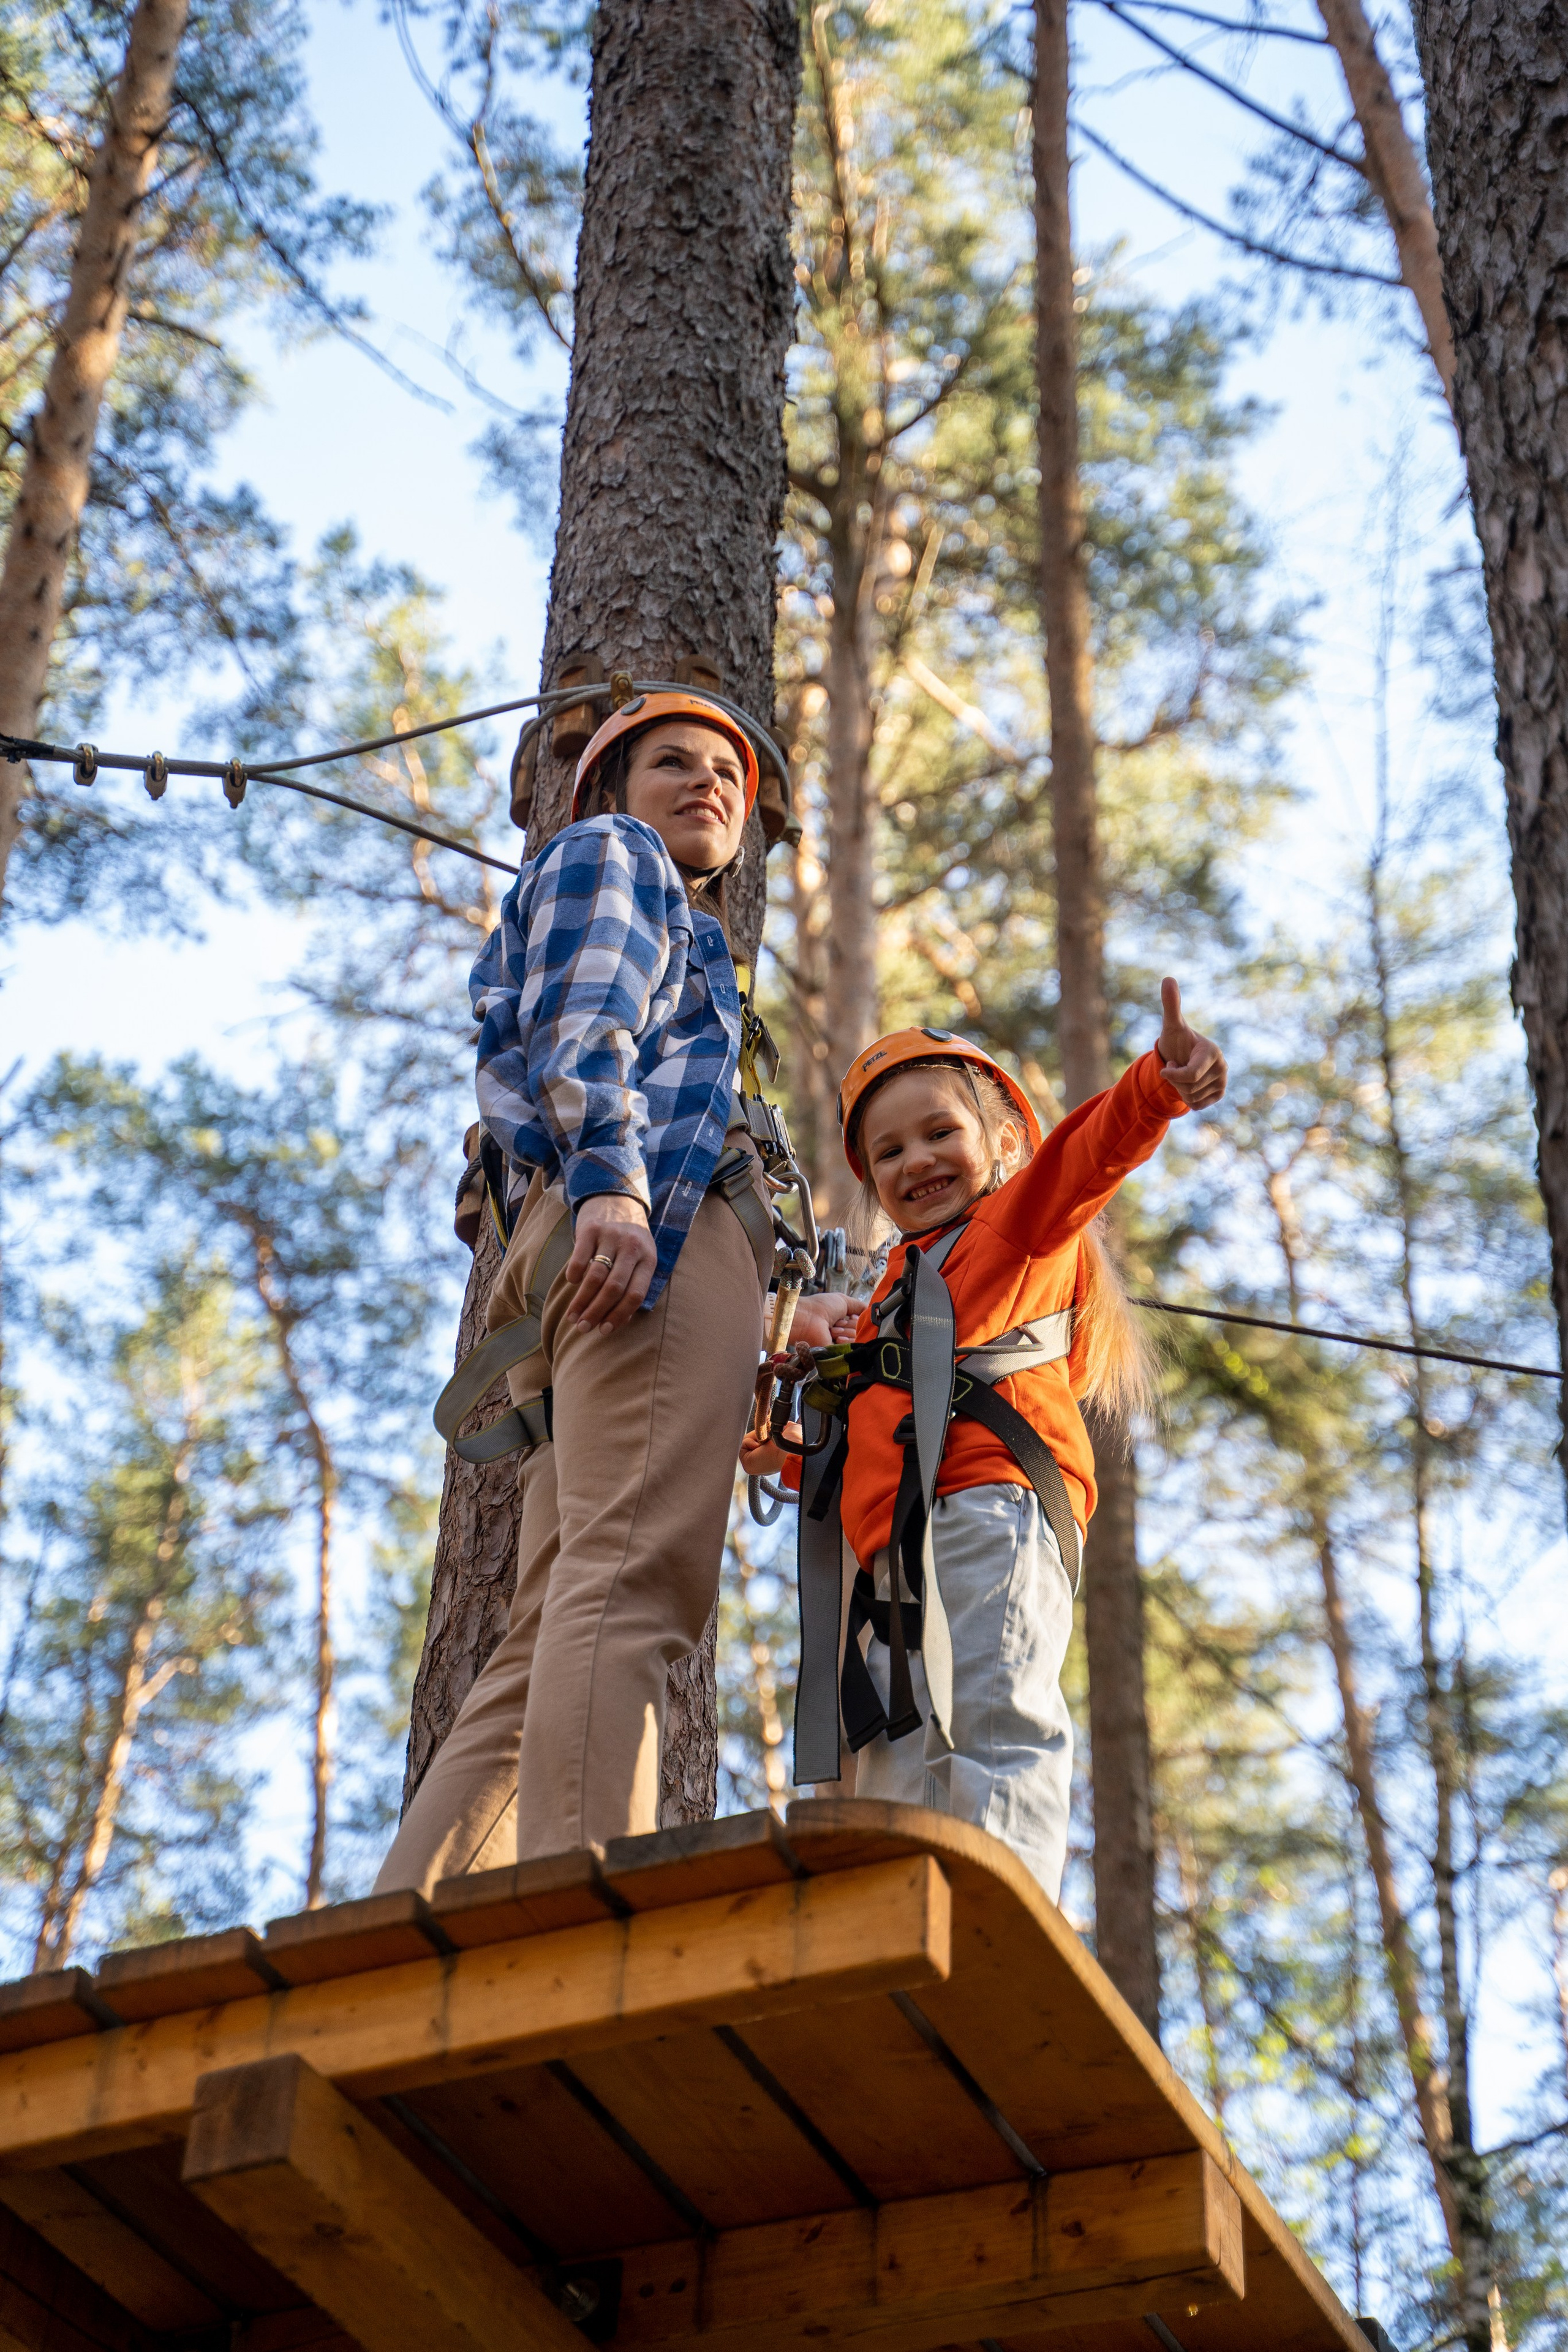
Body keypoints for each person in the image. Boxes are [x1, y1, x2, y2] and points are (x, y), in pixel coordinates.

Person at [377, 690, 773, 1893]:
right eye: (673, 762)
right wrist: (613, 1185)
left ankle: (405, 1932)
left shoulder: (641, 895)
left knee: (551, 1621)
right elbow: (587, 1020)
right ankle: (592, 1917)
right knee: (629, 1583)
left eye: (727, 775)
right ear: (608, 789)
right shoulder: (617, 853)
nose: (707, 783)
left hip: (589, 1245)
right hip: (647, 1225)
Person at [741, 982, 1226, 1901]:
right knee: (899, 1751)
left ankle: (997, 1920)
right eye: (889, 1152)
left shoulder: (1015, 1233)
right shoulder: (889, 1293)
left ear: (1003, 1143)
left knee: (994, 1717)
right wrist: (792, 1455)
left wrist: (1157, 1086)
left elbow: (1084, 1158)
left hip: (989, 1508)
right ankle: (906, 1925)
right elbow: (875, 1440)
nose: (916, 1161)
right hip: (895, 1556)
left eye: (940, 1133)